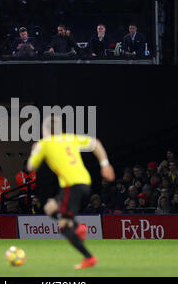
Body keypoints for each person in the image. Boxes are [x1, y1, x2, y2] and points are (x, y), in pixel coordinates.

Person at [27, 115, 115, 269]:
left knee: (63, 226)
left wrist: (34, 151)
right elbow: (96, 143)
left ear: (45, 130)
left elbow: (30, 168)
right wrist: (105, 164)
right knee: (49, 208)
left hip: (71, 186)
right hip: (84, 183)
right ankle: (77, 226)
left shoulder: (45, 143)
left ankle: (89, 257)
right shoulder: (70, 138)